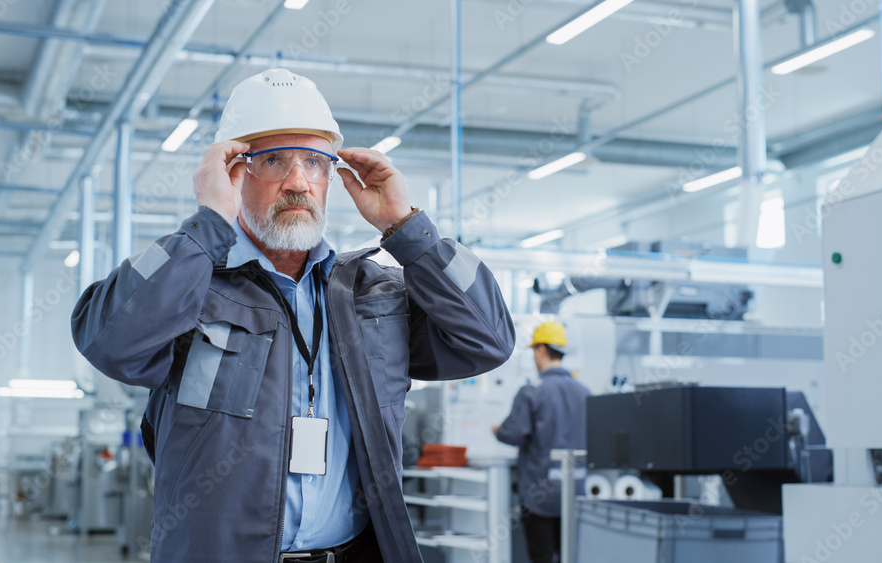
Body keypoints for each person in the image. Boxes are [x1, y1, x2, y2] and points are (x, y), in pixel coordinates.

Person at [71, 68, 515, 563]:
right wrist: (207, 226)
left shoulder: (374, 298)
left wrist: (407, 226)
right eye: (275, 160)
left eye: (315, 162)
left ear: (333, 175)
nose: (298, 182)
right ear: (233, 172)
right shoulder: (192, 286)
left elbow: (489, 338)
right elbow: (106, 337)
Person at [493, 321, 590, 563]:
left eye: (534, 351)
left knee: (542, 558)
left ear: (542, 350)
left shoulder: (532, 391)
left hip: (539, 496)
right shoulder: (585, 392)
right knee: (572, 556)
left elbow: (513, 433)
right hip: (575, 493)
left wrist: (497, 430)